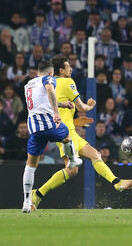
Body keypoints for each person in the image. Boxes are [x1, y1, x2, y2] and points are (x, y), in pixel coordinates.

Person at [30, 56, 132, 211]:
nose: (71, 69)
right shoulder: (67, 82)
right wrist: (90, 105)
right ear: (61, 70)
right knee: (76, 166)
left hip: (64, 130)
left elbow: (58, 112)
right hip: (65, 133)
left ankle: (116, 182)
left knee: (91, 157)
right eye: (68, 66)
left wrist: (75, 122)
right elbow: (81, 107)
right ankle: (38, 193)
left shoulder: (50, 83)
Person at [21, 60, 78, 213]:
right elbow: (50, 91)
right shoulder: (48, 79)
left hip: (34, 129)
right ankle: (73, 161)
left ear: (37, 72)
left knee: (31, 165)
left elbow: (42, 102)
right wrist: (57, 113)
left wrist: (62, 104)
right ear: (51, 73)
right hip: (49, 123)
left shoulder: (29, 85)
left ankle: (26, 202)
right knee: (67, 135)